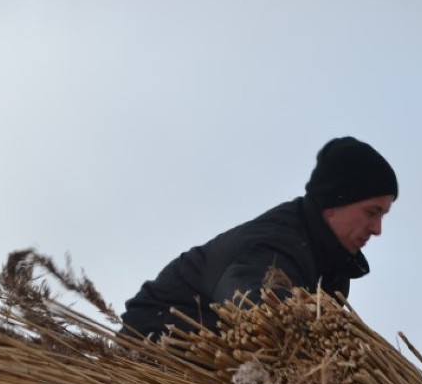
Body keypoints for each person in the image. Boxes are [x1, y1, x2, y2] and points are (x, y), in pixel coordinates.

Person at [120, 136, 398, 340]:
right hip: (155, 348)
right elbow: (258, 317)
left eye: (382, 216)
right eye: (371, 212)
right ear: (335, 202)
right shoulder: (276, 246)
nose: (377, 229)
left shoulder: (329, 265)